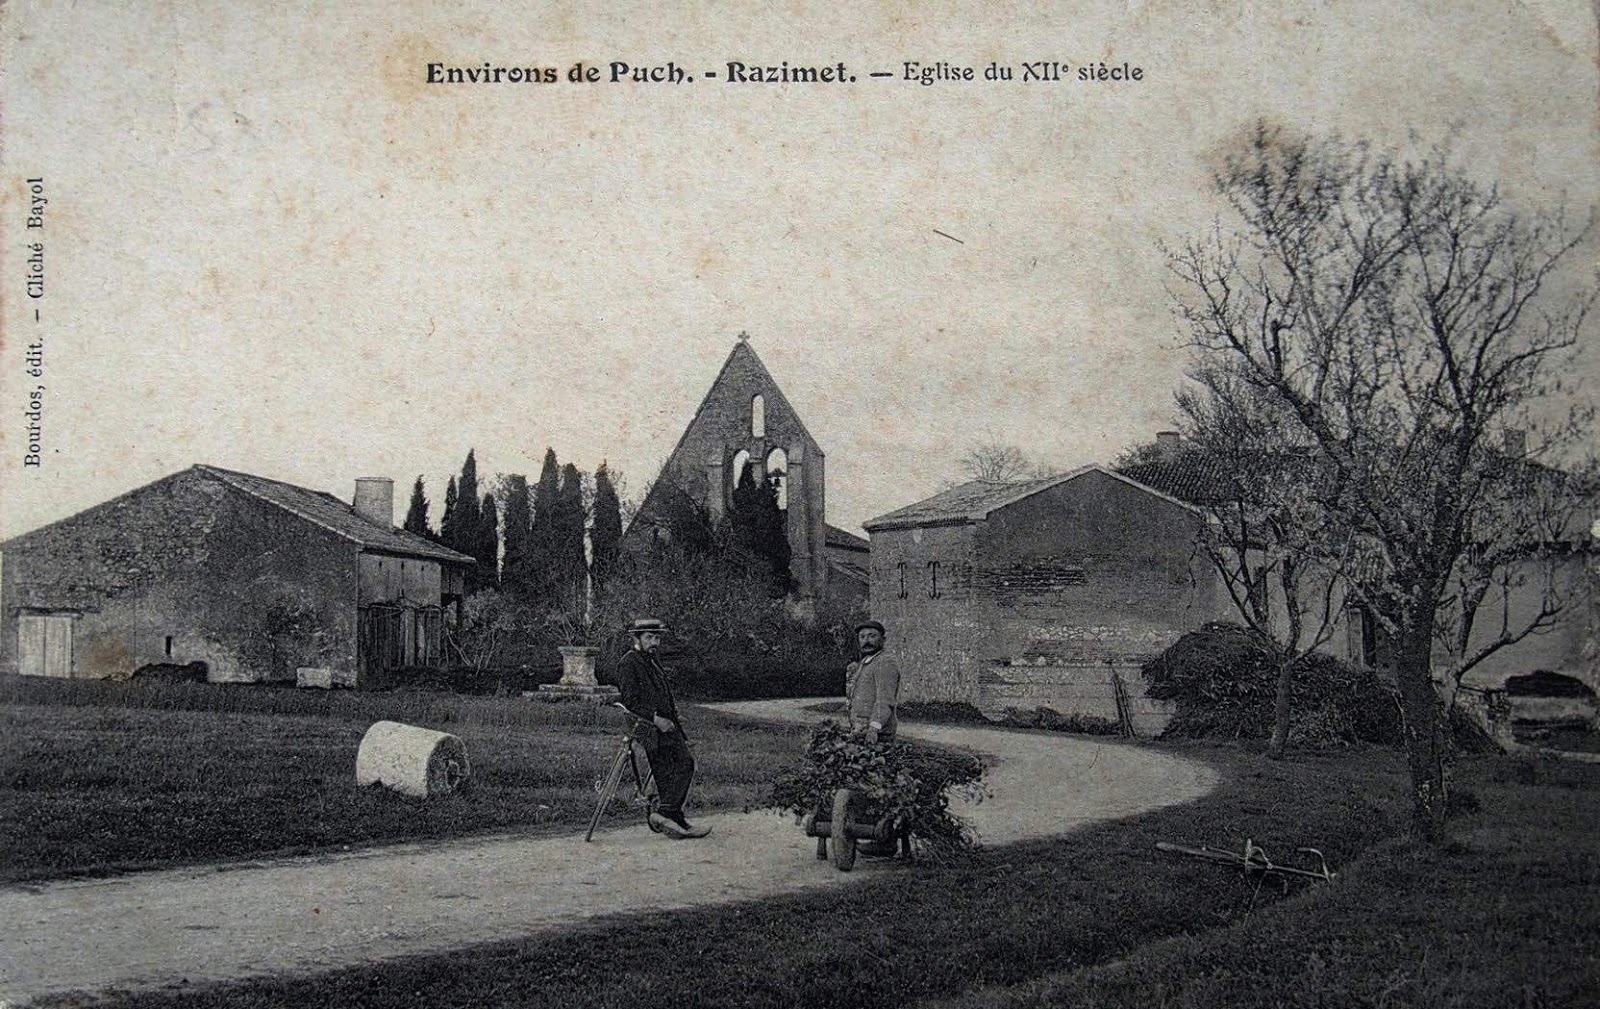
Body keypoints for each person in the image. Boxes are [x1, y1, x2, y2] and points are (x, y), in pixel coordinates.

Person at [610, 618, 711, 839]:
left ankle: (673, 819)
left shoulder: (652, 660)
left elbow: (664, 696)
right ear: (636, 639)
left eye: (656, 637)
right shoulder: (629, 662)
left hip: (666, 724)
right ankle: (665, 814)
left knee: (675, 768)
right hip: (648, 727)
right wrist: (656, 719)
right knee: (679, 765)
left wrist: (677, 726)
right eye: (649, 637)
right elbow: (631, 701)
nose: (654, 642)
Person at [846, 619, 900, 744]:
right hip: (861, 731)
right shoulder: (866, 662)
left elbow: (885, 699)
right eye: (862, 636)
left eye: (872, 636)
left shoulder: (885, 662)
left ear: (883, 639)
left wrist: (874, 729)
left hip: (878, 735)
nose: (866, 640)